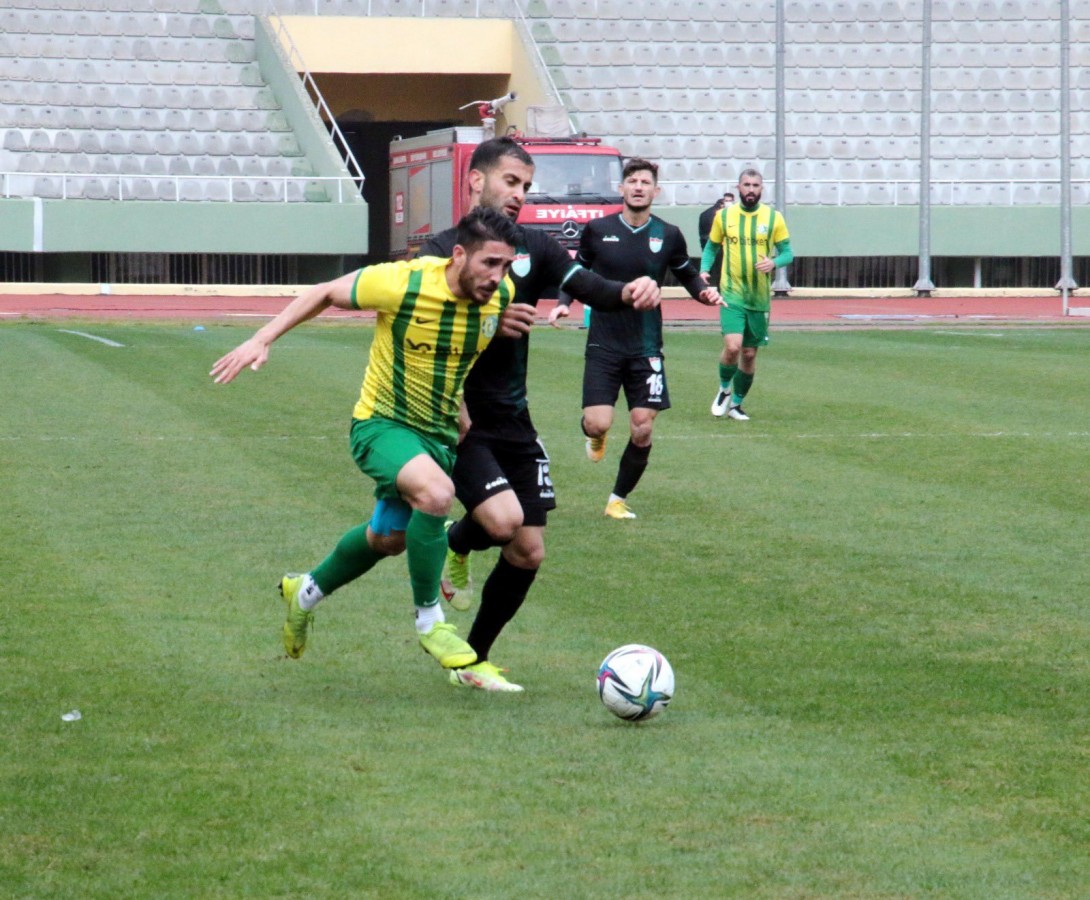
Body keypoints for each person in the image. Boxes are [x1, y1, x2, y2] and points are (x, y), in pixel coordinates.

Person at [209, 206, 523, 671]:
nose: (498, 276)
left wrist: (459, 409)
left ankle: (304, 592)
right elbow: (324, 291)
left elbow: (454, 353)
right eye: (489, 263)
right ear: (459, 255)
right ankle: (430, 622)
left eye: (506, 265)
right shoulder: (403, 283)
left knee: (388, 539)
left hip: (438, 436)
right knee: (437, 495)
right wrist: (263, 338)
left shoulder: (499, 296)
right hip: (381, 425)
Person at [417, 137, 661, 692]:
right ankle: (459, 543)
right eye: (510, 181)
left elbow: (592, 288)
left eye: (526, 186)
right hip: (459, 418)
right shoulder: (439, 250)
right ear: (476, 180)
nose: (519, 195)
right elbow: (418, 325)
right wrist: (486, 321)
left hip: (515, 418)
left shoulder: (536, 246)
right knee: (502, 523)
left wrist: (631, 291)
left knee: (527, 551)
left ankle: (473, 659)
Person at [550, 158, 721, 520]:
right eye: (632, 181)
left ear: (655, 191)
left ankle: (617, 499)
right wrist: (563, 303)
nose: (638, 187)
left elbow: (687, 273)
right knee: (598, 422)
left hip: (646, 346)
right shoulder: (598, 230)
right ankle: (595, 435)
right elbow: (576, 271)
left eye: (645, 182)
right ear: (622, 188)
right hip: (604, 342)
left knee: (643, 427)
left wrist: (704, 293)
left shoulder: (669, 234)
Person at [701, 168, 792, 421]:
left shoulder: (773, 218)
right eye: (746, 185)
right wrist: (704, 270)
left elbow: (788, 253)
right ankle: (724, 389)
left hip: (758, 297)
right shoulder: (724, 216)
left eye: (755, 185)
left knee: (749, 354)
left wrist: (774, 263)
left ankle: (736, 405)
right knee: (733, 347)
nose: (751, 189)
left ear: (761, 189)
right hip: (732, 293)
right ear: (738, 187)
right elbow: (711, 247)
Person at [698, 190, 734, 290]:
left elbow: (701, 233)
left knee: (716, 270)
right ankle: (721, 288)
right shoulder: (722, 214)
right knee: (723, 269)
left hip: (708, 243)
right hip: (721, 244)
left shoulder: (704, 214)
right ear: (723, 203)